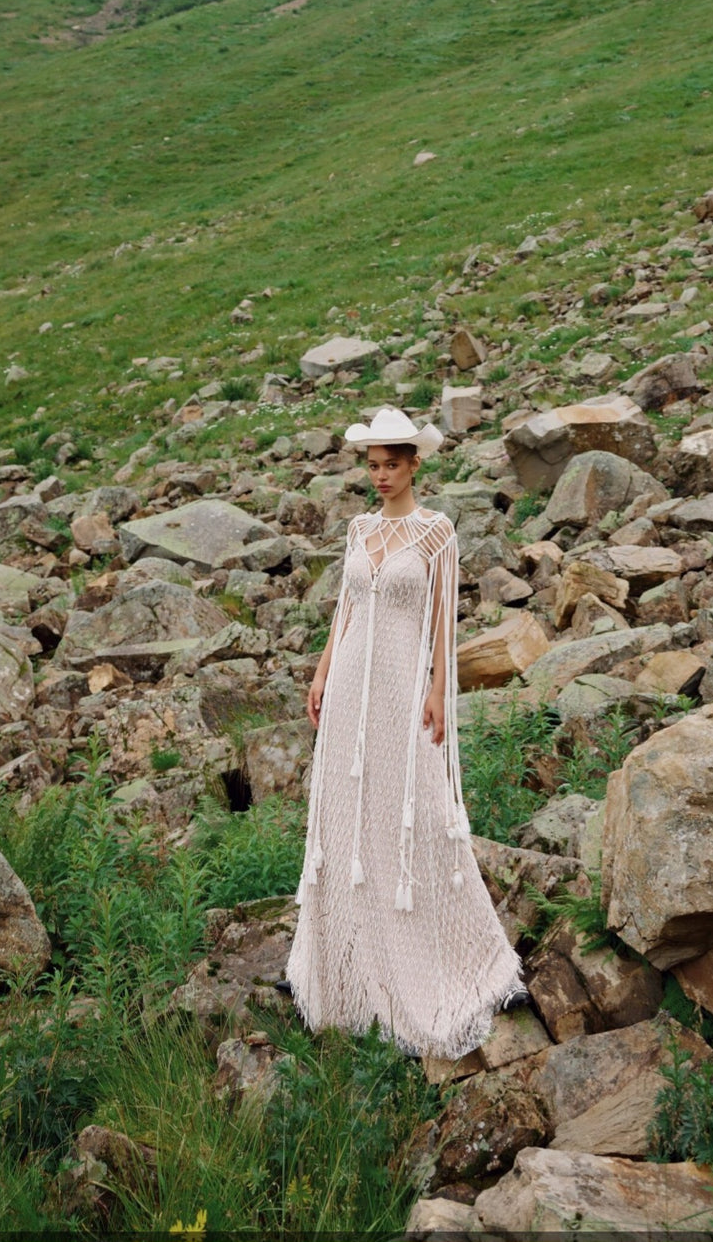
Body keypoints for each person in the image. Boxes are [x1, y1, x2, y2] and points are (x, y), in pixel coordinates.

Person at [285, 406, 526, 1060]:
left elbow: (445, 622)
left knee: (414, 807)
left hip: (400, 689)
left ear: (415, 464)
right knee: (344, 816)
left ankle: (464, 959)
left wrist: (440, 691)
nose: (382, 476)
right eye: (373, 465)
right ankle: (346, 972)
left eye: (392, 465)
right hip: (348, 695)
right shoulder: (360, 528)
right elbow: (345, 609)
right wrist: (320, 673)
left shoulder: (436, 533)